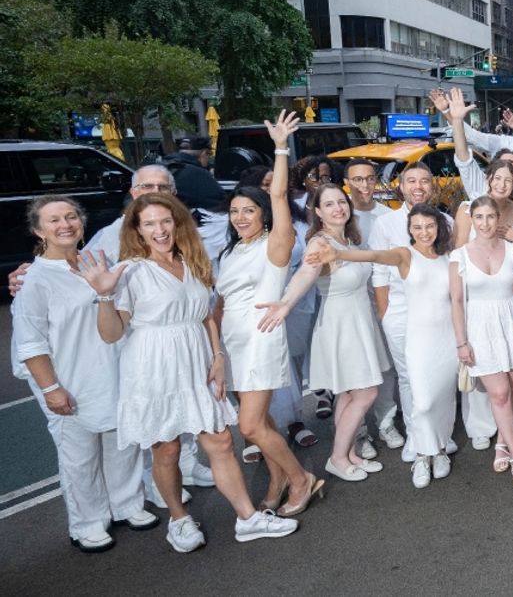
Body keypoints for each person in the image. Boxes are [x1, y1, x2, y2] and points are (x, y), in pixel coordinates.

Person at [79, 193, 298, 552]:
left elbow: (205, 315)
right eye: (149, 223)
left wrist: (217, 356)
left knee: (222, 441)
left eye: (165, 221)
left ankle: (247, 518)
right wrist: (104, 296)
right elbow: (111, 333)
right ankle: (179, 521)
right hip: (153, 365)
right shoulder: (131, 270)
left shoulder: (192, 260)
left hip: (196, 359)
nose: (159, 230)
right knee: (166, 449)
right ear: (137, 229)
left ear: (177, 222)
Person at [12, 196, 157, 552]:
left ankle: (127, 504)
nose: (65, 224)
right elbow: (30, 343)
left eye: (71, 216)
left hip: (112, 371)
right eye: (54, 220)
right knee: (80, 457)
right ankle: (88, 522)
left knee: (122, 443)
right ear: (37, 230)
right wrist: (51, 388)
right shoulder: (34, 280)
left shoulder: (96, 260)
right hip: (69, 381)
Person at [214, 112, 322, 516]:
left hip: (261, 338)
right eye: (235, 211)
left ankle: (300, 478)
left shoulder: (273, 246)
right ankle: (278, 479)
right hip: (235, 343)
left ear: (263, 214)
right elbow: (219, 304)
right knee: (264, 424)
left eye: (249, 210)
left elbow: (278, 195)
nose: (241, 217)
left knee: (250, 426)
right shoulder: (231, 252)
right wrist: (218, 352)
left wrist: (280, 147)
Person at [310, 204, 459, 489]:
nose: (424, 232)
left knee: (443, 398)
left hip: (447, 338)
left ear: (439, 227)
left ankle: (438, 450)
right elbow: (375, 255)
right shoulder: (404, 255)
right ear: (409, 230)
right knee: (423, 400)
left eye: (429, 226)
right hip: (419, 338)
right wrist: (339, 254)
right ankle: (421, 454)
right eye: (417, 227)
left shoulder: (448, 257)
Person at [259, 184, 391, 484]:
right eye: (329, 204)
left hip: (359, 321)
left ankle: (349, 453)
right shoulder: (320, 243)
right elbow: (305, 274)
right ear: (317, 212)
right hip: (339, 325)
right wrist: (285, 303)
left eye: (341, 202)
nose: (338, 208)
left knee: (348, 391)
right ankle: (337, 458)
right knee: (367, 392)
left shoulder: (349, 239)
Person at [450, 196, 513, 485]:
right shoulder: (459, 256)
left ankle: (501, 443)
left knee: (510, 390)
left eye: (490, 217)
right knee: (499, 393)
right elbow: (457, 301)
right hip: (479, 328)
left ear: (498, 219)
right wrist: (462, 343)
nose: (485, 223)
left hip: (510, 322)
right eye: (479, 217)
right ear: (471, 220)